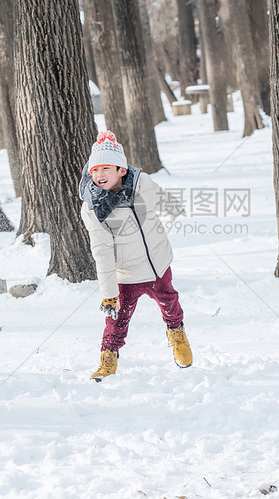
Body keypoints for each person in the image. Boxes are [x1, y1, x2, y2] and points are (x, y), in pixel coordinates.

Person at [79, 131, 192, 381]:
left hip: (158, 265)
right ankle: (108, 356)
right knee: (117, 319)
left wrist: (174, 209)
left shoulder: (142, 182)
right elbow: (102, 252)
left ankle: (177, 334)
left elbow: (159, 196)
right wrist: (109, 294)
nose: (99, 175)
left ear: (121, 169)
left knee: (170, 303)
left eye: (105, 168)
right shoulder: (93, 208)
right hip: (127, 275)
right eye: (95, 170)